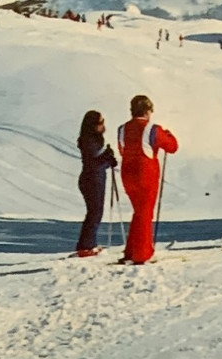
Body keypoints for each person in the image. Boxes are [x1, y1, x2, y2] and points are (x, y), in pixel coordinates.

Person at [116, 95, 179, 265]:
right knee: (145, 213)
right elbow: (172, 147)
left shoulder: (122, 129)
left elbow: (122, 150)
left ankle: (131, 250)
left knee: (138, 211)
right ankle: (142, 253)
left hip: (127, 173)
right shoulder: (152, 129)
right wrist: (168, 135)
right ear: (148, 111)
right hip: (145, 174)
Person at [75, 110, 118, 256]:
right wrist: (107, 158)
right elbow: (94, 164)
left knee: (95, 212)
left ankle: (88, 244)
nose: (103, 125)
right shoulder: (89, 141)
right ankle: (86, 246)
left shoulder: (93, 139)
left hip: (94, 178)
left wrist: (107, 157)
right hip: (92, 179)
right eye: (100, 123)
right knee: (94, 213)